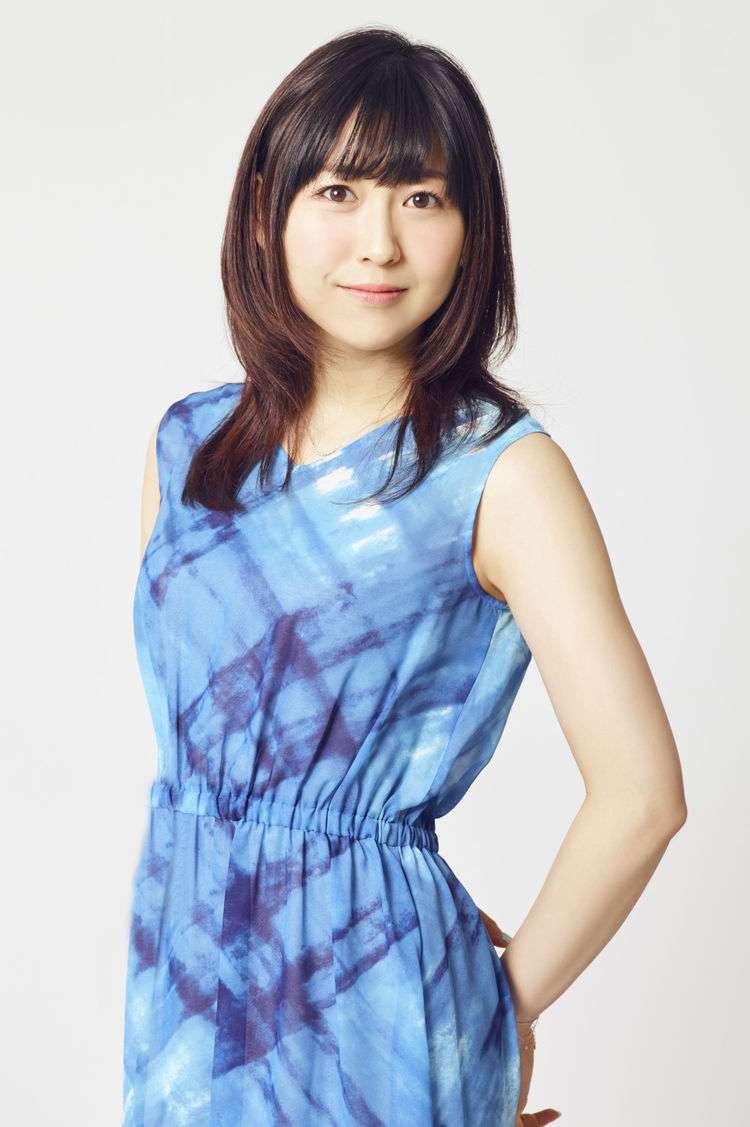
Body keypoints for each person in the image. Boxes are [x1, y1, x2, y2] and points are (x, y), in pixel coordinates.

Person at [123, 26, 688, 1127]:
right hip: (182, 987)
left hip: (377, 1015)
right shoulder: (187, 447)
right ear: (266, 210)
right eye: (338, 191)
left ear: (473, 231)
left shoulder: (501, 474)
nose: (378, 242)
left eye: (422, 198)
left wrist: (498, 1009)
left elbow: (643, 795)